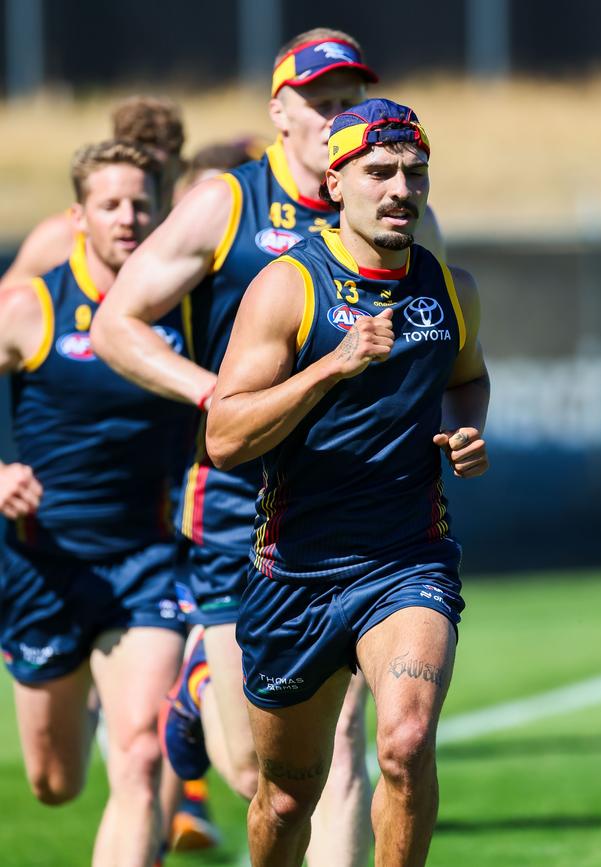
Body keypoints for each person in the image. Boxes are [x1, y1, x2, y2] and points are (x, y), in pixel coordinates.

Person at [91, 27, 400, 866]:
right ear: (281, 112)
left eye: (350, 103)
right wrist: (212, 395)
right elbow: (117, 321)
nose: (339, 118)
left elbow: (437, 334)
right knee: (255, 768)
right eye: (322, 104)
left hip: (348, 506)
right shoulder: (230, 203)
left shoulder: (389, 203)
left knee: (342, 743)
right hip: (235, 505)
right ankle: (197, 694)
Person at [205, 98, 490, 866]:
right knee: (286, 799)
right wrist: (333, 366)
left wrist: (468, 429)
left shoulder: (448, 286)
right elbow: (225, 437)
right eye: (380, 171)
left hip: (408, 561)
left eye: (415, 171)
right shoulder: (287, 287)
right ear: (336, 182)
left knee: (402, 744)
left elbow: (468, 376)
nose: (401, 187)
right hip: (294, 574)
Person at [0, 140, 192, 867]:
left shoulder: (186, 305)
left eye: (141, 202)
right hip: (43, 566)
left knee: (141, 755)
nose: (128, 217)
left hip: (148, 561)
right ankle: (77, 691)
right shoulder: (31, 307)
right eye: (110, 204)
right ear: (79, 216)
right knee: (53, 783)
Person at [0, 96, 186, 289]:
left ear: (181, 168)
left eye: (160, 177)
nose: (128, 218)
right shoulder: (60, 239)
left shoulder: (194, 228)